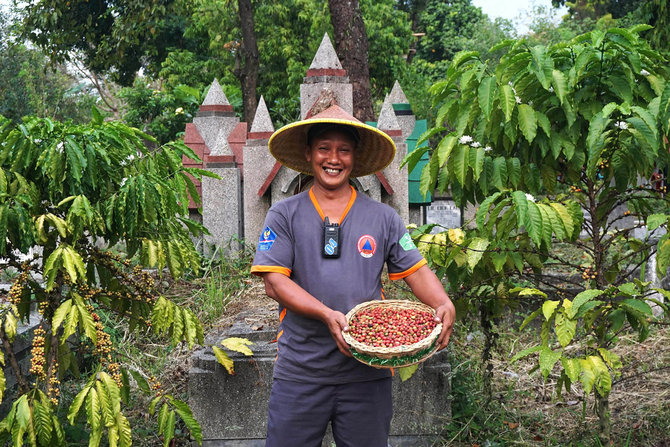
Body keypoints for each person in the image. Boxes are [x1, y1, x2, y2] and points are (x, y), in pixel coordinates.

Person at [250, 103, 455, 447]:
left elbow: (415, 269)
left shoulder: (383, 218)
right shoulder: (283, 214)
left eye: (344, 150)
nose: (334, 158)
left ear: (355, 157)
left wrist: (442, 302)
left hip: (367, 373)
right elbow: (275, 282)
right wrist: (327, 315)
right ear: (308, 153)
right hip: (301, 371)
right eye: (324, 149)